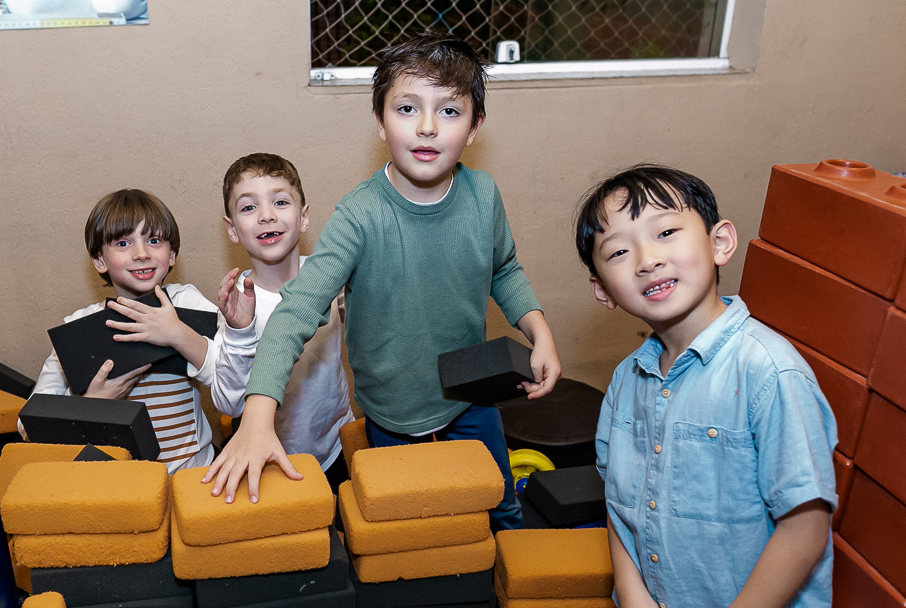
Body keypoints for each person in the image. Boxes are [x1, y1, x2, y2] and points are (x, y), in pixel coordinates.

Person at [204, 32, 561, 529]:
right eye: (408, 109)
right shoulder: (358, 217)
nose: (429, 128)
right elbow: (293, 313)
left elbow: (504, 267)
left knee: (500, 507)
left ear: (475, 127)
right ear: (380, 122)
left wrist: (539, 331)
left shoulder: (484, 195)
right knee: (408, 527)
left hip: (470, 394)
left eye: (450, 112)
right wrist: (258, 418)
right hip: (391, 412)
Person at [576, 164, 836, 608]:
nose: (647, 259)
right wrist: (631, 593)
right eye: (619, 250)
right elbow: (619, 505)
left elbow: (806, 525)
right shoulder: (626, 382)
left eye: (666, 231)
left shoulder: (768, 373)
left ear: (720, 242)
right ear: (602, 289)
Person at [27, 188, 221, 472]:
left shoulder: (186, 303)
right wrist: (92, 405)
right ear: (99, 261)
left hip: (194, 475)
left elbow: (234, 381)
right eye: (123, 243)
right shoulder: (79, 328)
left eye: (154, 240)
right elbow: (29, 425)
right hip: (122, 487)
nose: (141, 254)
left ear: (172, 255)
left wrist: (178, 334)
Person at [212, 153, 355, 492]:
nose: (266, 215)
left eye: (279, 201)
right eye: (248, 208)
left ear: (303, 218)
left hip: (335, 445)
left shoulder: (327, 277)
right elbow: (228, 403)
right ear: (232, 228)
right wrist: (239, 332)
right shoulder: (238, 303)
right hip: (269, 459)